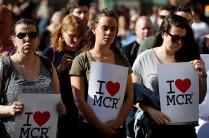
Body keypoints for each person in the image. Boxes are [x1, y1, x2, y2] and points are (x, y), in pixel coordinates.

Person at [132, 13, 207, 138]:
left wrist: (202, 76)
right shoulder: (144, 58)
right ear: (163, 33)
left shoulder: (188, 58)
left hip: (185, 129)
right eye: (175, 38)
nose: (179, 42)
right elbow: (132, 94)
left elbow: (198, 99)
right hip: (155, 128)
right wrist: (150, 111)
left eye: (183, 38)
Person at [70, 9, 134, 138]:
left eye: (113, 29)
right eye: (104, 28)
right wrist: (100, 126)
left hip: (116, 130)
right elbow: (79, 100)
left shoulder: (122, 60)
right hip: (89, 129)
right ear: (94, 29)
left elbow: (130, 96)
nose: (109, 33)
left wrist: (117, 123)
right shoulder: (81, 60)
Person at [0, 18, 64, 138]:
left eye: (32, 35)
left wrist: (60, 107)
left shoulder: (48, 65)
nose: (27, 38)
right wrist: (10, 110)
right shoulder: (4, 66)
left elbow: (58, 100)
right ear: (14, 40)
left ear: (38, 40)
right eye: (21, 35)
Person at [42, 15, 86, 138]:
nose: (76, 40)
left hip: (78, 112)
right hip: (55, 111)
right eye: (72, 35)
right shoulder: (51, 53)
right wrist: (59, 70)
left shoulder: (83, 54)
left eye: (79, 36)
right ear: (62, 31)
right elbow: (40, 83)